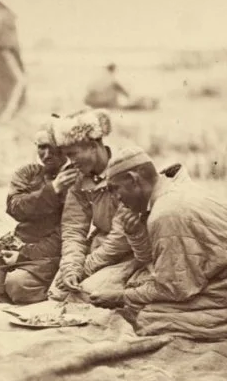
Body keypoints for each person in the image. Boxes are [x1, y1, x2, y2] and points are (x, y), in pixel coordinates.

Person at [103, 145, 227, 339]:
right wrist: (136, 235)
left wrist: (119, 298)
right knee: (139, 290)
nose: (116, 199)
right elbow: (160, 266)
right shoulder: (170, 188)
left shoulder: (166, 212)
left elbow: (173, 288)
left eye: (115, 189)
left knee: (149, 319)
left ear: (133, 179)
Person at [0, 122, 77, 305]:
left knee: (17, 285)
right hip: (21, 240)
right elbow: (15, 207)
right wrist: (53, 189)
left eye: (53, 148)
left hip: (54, 249)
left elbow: (67, 232)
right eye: (41, 147)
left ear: (65, 149)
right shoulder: (29, 173)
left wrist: (24, 255)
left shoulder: (75, 179)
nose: (46, 155)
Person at [46, 110, 151, 305]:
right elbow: (73, 228)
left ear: (94, 146)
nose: (71, 162)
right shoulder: (77, 178)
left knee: (86, 295)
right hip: (101, 246)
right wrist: (71, 267)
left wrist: (86, 268)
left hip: (132, 251)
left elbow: (121, 238)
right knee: (57, 293)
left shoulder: (123, 169)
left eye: (73, 154)